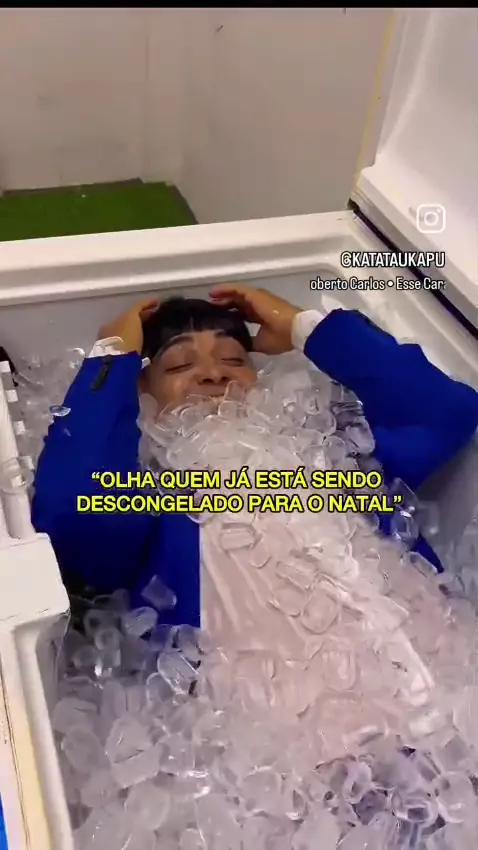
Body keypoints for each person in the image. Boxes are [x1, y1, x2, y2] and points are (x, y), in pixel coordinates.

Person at [32, 286, 478, 628]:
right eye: (179, 365)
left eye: (233, 359)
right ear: (140, 395)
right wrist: (112, 359)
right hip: (285, 722)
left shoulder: (339, 460)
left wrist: (304, 327)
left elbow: (446, 412)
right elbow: (71, 512)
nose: (213, 373)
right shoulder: (156, 506)